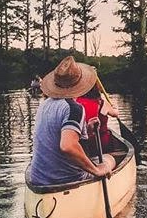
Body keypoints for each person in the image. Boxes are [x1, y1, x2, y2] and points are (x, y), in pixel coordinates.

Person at [29, 56, 115, 187]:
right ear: (79, 83)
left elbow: (58, 133)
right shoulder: (74, 108)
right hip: (66, 180)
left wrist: (86, 128)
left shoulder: (44, 104)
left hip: (37, 180)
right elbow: (67, 146)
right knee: (110, 159)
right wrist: (96, 170)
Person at [76, 83, 119, 152]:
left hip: (81, 143)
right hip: (101, 143)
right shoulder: (102, 103)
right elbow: (115, 114)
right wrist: (114, 108)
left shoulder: (75, 103)